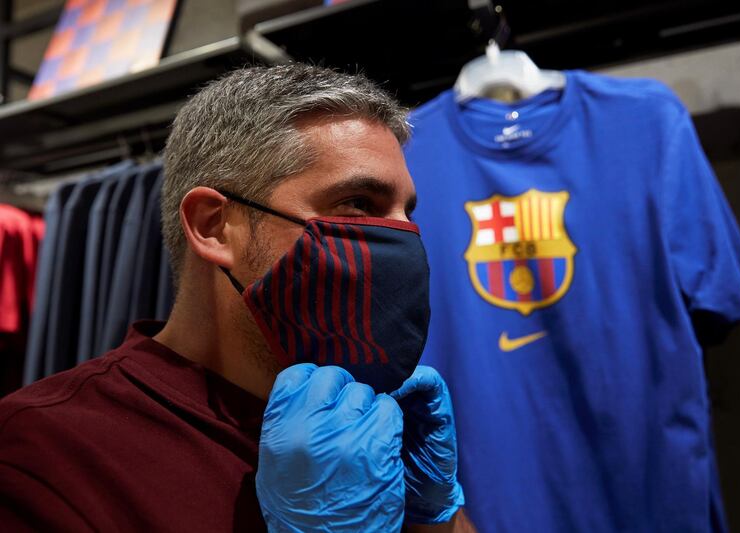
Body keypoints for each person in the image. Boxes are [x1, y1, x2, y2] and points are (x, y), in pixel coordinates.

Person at [0, 65, 473, 532]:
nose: (404, 239)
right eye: (358, 204)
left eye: (405, 213)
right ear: (213, 226)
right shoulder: (38, 458)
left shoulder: (379, 419)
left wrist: (434, 518)